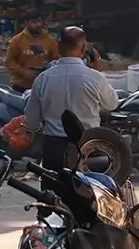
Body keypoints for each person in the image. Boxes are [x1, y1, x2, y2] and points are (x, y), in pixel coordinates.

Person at [23, 25, 117, 171]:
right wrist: (97, 72)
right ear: (84, 47)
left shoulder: (43, 79)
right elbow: (112, 104)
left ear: (59, 47)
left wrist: (38, 128)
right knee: (89, 191)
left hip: (54, 149)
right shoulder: (94, 77)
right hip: (87, 148)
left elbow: (31, 121)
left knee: (52, 191)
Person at [6, 11, 59, 92]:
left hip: (43, 86)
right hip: (21, 86)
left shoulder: (51, 41)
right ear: (26, 23)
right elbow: (9, 61)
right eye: (34, 22)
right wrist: (24, 72)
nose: (38, 25)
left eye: (39, 21)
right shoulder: (16, 41)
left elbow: (56, 60)